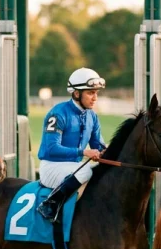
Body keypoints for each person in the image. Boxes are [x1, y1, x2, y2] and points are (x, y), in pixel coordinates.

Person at [35, 67, 108, 222]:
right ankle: (50, 204)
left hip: (74, 167)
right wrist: (83, 152)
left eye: (96, 93)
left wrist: (108, 151)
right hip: (51, 166)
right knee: (86, 171)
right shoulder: (58, 113)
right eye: (90, 93)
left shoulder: (92, 116)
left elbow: (99, 145)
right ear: (76, 93)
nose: (95, 98)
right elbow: (52, 149)